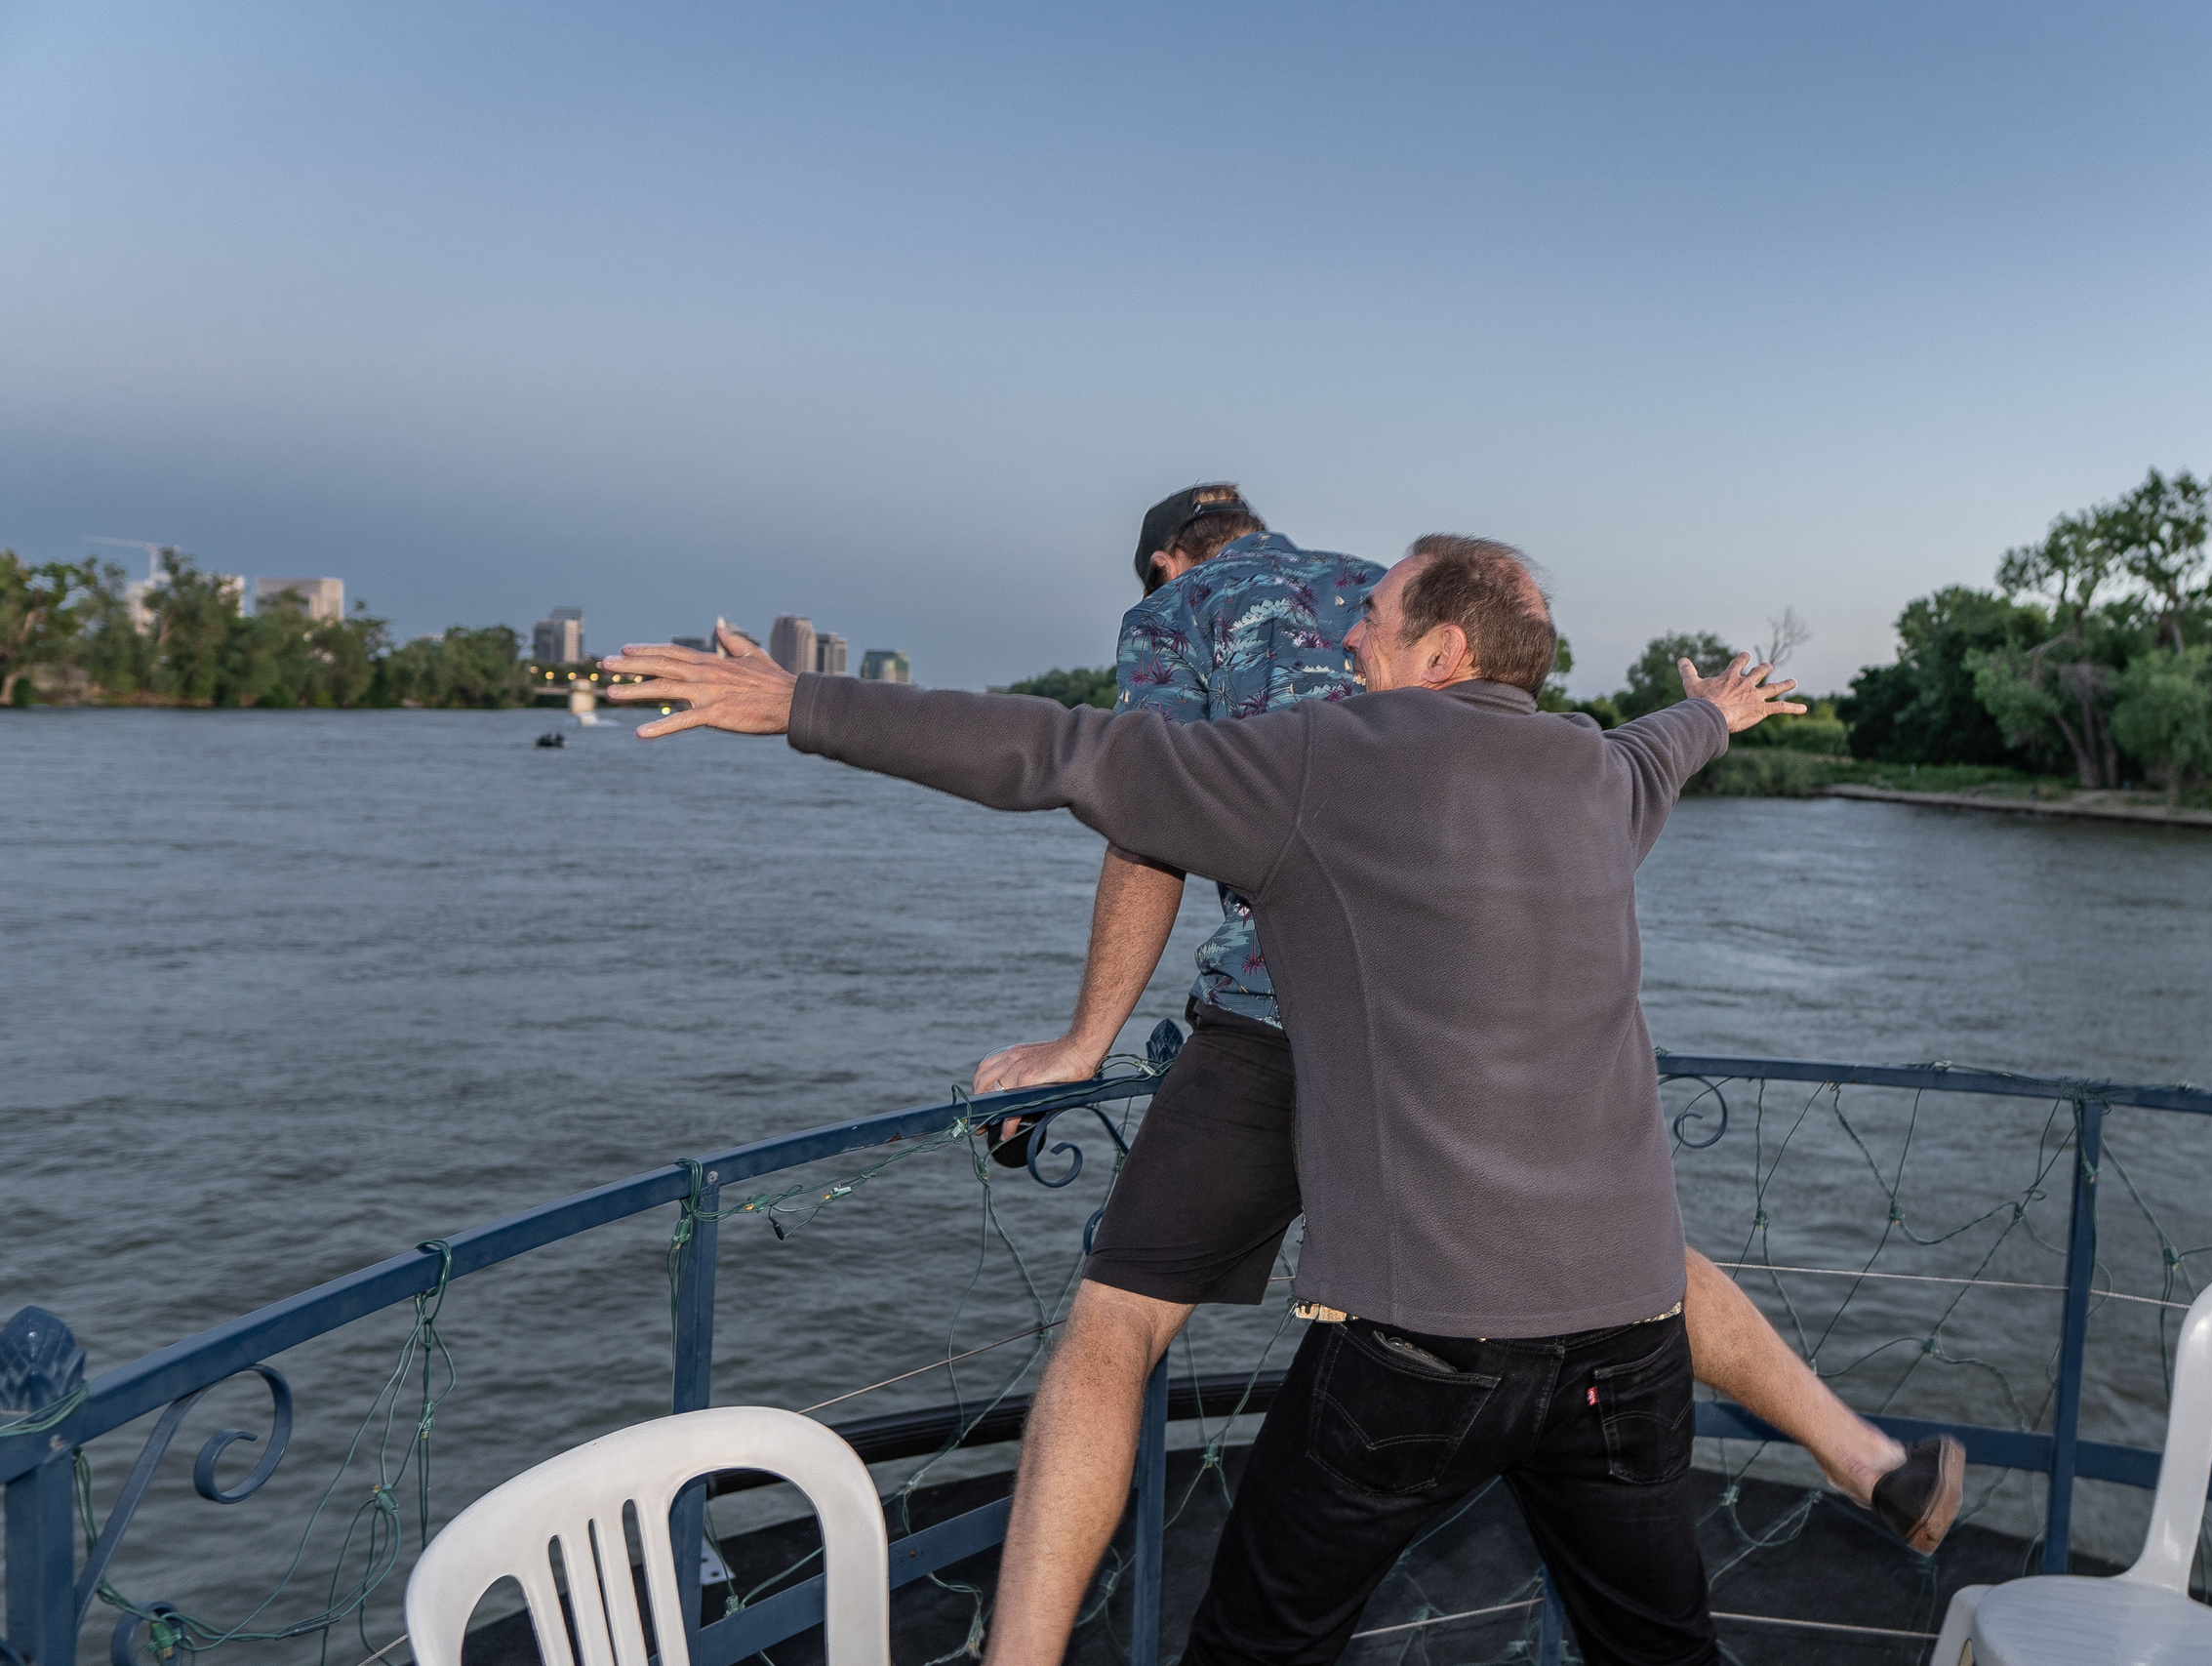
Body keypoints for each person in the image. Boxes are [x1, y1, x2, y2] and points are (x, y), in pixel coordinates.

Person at [600, 537, 1923, 1664]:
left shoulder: (1318, 764)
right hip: (1631, 1340)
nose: (1349, 632)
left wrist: (801, 704)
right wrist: (1725, 708)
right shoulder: (1595, 775)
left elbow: (1057, 749)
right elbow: (1668, 742)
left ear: (1444, 651)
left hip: (1424, 1355)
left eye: (1377, 613)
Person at [969, 490, 1957, 1665]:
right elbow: (1623, 762)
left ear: (1169, 560)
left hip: (1274, 1007)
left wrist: (1081, 1042)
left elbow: (1143, 825)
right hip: (1459, 1010)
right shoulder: (1396, 586)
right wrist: (1714, 710)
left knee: (1115, 1326)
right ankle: (1862, 1455)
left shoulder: (1180, 609)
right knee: (1588, 1258)